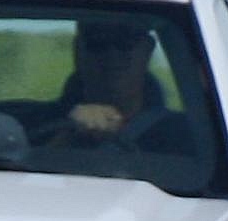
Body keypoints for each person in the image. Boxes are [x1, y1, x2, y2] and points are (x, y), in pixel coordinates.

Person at [38, 19, 184, 153]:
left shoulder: (185, 136)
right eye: (97, 42)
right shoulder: (38, 125)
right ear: (78, 51)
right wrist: (66, 140)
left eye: (126, 41)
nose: (112, 54)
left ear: (147, 50)